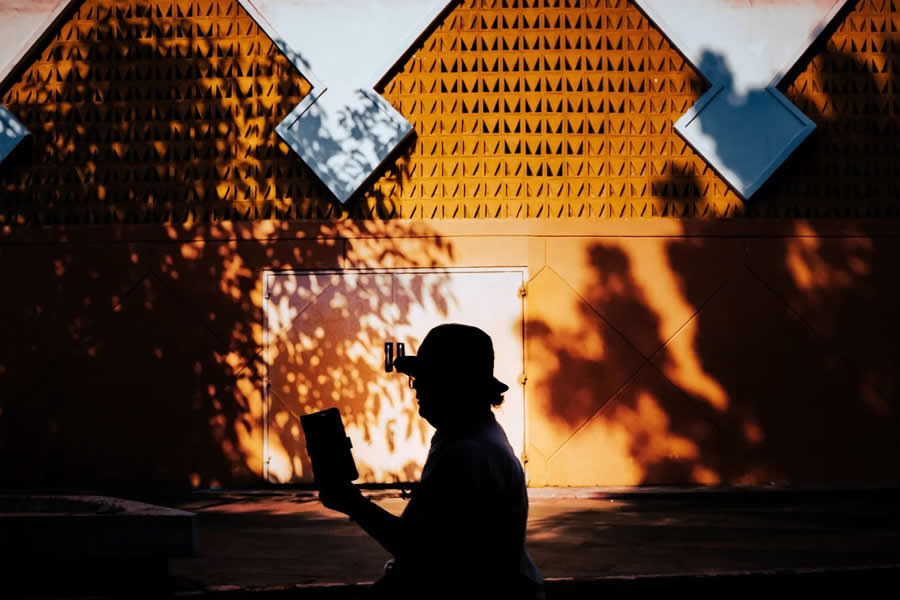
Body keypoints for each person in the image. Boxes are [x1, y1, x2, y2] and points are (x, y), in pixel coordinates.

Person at [319, 323, 544, 599]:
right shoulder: (467, 436)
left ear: (454, 386)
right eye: (416, 379)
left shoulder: (467, 452)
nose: (417, 390)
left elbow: (419, 546)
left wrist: (351, 502)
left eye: (426, 379)